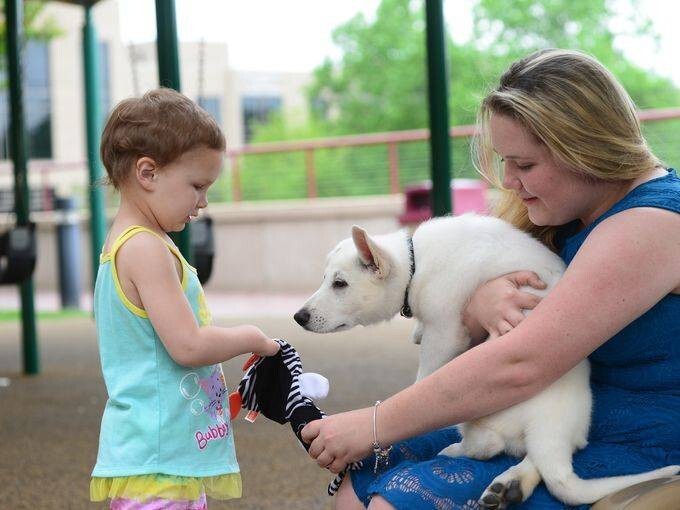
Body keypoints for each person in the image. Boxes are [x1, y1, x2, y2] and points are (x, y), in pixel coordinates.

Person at [301, 48, 680, 509]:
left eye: (525, 165)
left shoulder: (652, 223)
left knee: (391, 501)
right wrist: (478, 303)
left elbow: (522, 362)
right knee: (363, 479)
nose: (508, 181)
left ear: (587, 148)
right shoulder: (569, 214)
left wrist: (374, 423)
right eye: (504, 161)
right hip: (549, 416)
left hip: (633, 437)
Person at [89, 88, 280, 509]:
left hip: (160, 454)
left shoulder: (131, 244)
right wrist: (252, 337)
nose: (203, 202)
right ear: (148, 173)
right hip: (158, 462)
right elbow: (188, 346)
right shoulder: (144, 249)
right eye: (197, 185)